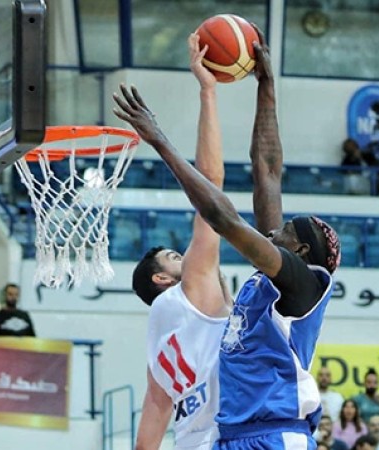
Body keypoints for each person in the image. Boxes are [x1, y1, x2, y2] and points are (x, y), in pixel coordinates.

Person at [116, 24, 342, 448]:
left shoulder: (300, 283)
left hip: (276, 434)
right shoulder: (276, 272)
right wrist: (267, 87)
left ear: (302, 251)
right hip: (233, 436)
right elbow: (267, 170)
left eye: (286, 231)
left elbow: (223, 217)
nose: (275, 229)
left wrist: (160, 140)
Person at [132, 33, 232, 450]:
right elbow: (211, 188)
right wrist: (208, 92)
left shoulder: (158, 338)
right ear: (161, 279)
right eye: (175, 256)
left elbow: (154, 412)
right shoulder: (191, 289)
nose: (187, 256)